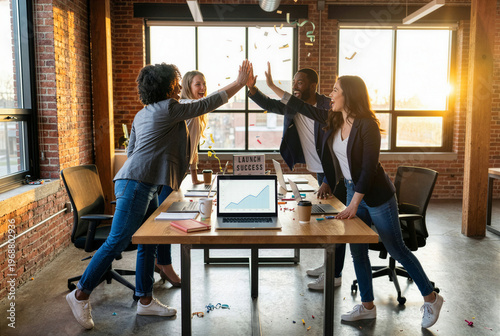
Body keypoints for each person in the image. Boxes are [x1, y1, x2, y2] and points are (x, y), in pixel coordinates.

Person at [66, 60, 252, 330]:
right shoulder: (169, 108)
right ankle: (80, 293)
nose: (179, 87)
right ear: (168, 86)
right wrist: (238, 83)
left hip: (141, 181)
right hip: (138, 183)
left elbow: (132, 152)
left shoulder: (144, 112)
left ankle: (145, 300)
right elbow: (206, 104)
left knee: (148, 240)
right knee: (117, 240)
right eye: (176, 83)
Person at [264, 73, 444, 328]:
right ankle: (367, 307)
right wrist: (272, 87)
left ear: (349, 95)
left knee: (396, 248)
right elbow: (301, 106)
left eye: (336, 90)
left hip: (377, 196)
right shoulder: (333, 118)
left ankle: (431, 297)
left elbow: (369, 169)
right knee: (357, 251)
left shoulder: (367, 125)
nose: (331, 94)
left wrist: (354, 204)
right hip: (351, 191)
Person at [246, 63, 346, 290]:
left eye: (300, 82)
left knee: (336, 223)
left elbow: (338, 148)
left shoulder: (326, 106)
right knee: (328, 219)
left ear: (313, 85)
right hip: (318, 170)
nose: (295, 85)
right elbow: (270, 104)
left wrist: (330, 180)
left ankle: (336, 274)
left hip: (332, 171)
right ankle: (330, 265)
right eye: (293, 82)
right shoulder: (292, 106)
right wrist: (253, 89)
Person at [154, 71, 210, 287]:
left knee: (165, 217)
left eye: (204, 83)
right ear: (187, 86)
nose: (202, 87)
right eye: (198, 84)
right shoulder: (186, 106)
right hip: (168, 172)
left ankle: (161, 262)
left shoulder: (193, 110)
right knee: (165, 220)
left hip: (176, 171)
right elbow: (186, 148)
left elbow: (192, 146)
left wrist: (193, 176)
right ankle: (164, 264)